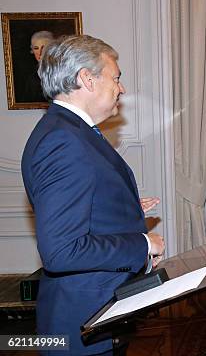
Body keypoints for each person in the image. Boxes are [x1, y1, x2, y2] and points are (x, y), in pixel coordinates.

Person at [21, 35, 165, 355]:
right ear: (87, 79)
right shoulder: (64, 142)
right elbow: (62, 250)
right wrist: (143, 243)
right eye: (115, 78)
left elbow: (83, 204)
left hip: (97, 317)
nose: (121, 88)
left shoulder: (71, 131)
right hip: (82, 325)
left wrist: (122, 208)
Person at [19, 30, 54, 103]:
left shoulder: (60, 72)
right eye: (36, 48)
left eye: (43, 47)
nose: (40, 52)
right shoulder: (30, 77)